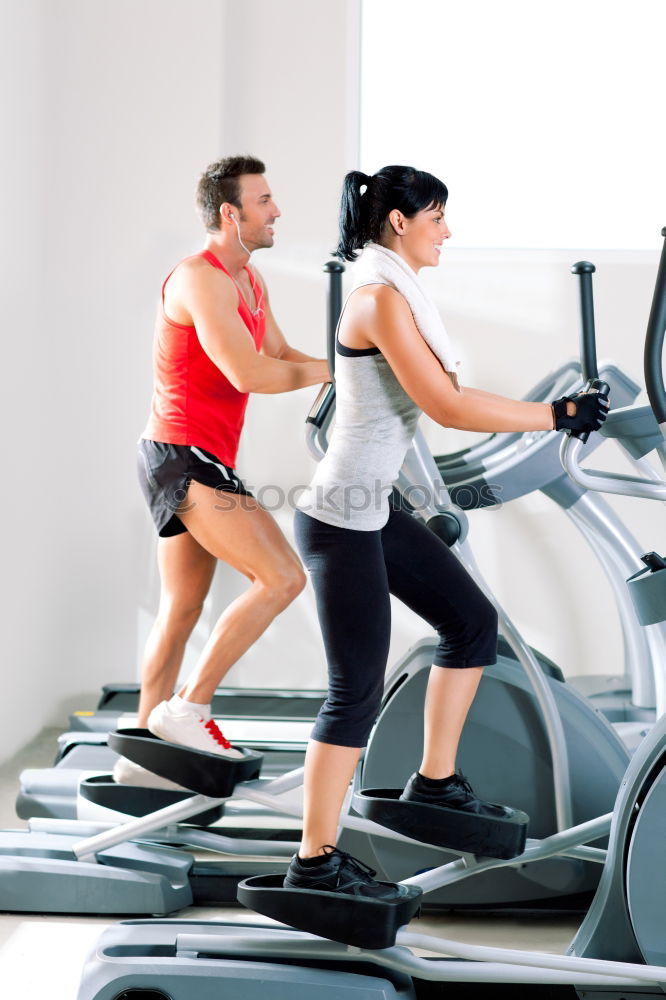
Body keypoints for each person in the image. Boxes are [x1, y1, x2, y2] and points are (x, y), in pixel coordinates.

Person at [284, 164, 609, 897]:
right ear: (398, 222)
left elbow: (450, 395)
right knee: (354, 694)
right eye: (437, 218)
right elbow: (448, 405)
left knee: (472, 623)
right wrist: (556, 416)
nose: (448, 232)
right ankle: (312, 862)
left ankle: (433, 783)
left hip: (375, 512)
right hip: (340, 521)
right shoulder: (376, 300)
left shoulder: (396, 293)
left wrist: (556, 412)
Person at [114, 155, 330, 785]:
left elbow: (282, 353)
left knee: (180, 609)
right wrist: (336, 374)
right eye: (264, 201)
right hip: (183, 457)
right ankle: (189, 707)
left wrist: (356, 367)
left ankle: (142, 759)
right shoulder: (199, 279)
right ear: (229, 213)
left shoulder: (249, 281)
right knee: (283, 577)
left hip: (192, 456)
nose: (277, 210)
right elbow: (250, 374)